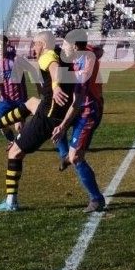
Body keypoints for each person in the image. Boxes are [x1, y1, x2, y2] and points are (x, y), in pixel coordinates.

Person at [0, 30, 72, 213]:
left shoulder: (47, 55)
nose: (33, 47)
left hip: (49, 116)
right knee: (30, 103)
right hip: (56, 109)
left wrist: (56, 87)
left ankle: (11, 202)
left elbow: (54, 69)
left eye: (35, 43)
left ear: (42, 44)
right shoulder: (60, 53)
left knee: (14, 152)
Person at [51, 30, 106, 213]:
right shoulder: (82, 52)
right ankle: (64, 154)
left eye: (65, 44)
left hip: (88, 110)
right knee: (53, 120)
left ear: (74, 46)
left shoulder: (85, 67)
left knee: (77, 157)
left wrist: (63, 125)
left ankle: (97, 199)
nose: (62, 47)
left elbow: (76, 103)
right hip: (81, 106)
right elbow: (96, 50)